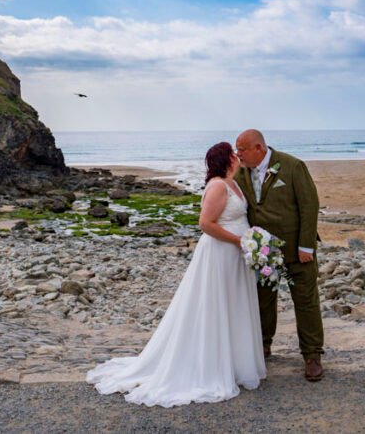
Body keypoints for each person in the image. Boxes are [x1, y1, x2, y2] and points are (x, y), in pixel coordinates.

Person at [86, 142, 265, 406]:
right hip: (221, 253)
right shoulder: (217, 185)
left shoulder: (234, 182)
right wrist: (238, 240)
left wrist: (249, 240)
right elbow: (205, 224)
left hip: (236, 254)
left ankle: (236, 363)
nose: (237, 156)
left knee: (234, 305)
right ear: (225, 159)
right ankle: (210, 365)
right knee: (217, 305)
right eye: (233, 153)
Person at [234, 129, 325, 382]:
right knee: (263, 300)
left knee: (305, 301)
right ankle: (263, 345)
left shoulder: (292, 166)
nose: (237, 154)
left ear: (258, 148)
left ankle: (312, 355)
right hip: (263, 252)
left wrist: (306, 246)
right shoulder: (241, 172)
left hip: (297, 253)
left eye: (241, 149)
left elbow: (310, 205)